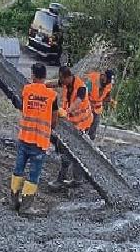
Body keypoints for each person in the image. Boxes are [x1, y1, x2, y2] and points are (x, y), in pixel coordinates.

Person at [9, 62, 58, 217]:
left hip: (24, 138)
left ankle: (14, 201)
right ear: (45, 76)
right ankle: (26, 206)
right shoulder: (52, 95)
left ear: (33, 75)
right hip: (39, 141)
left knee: (18, 170)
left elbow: (23, 107)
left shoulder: (27, 90)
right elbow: (54, 119)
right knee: (33, 175)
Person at [48, 68, 94, 189]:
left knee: (72, 152)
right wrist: (41, 84)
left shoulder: (81, 87)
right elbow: (54, 83)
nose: (61, 81)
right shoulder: (66, 82)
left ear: (68, 77)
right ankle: (76, 179)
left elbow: (78, 101)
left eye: (62, 79)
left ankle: (67, 179)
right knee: (70, 151)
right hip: (71, 123)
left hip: (82, 125)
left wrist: (67, 111)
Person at [85, 69, 114, 140]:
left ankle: (91, 142)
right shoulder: (92, 80)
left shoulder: (108, 84)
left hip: (97, 109)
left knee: (93, 128)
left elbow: (107, 96)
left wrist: (111, 101)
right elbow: (84, 94)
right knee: (85, 126)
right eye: (107, 80)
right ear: (103, 76)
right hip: (87, 107)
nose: (108, 82)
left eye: (109, 81)